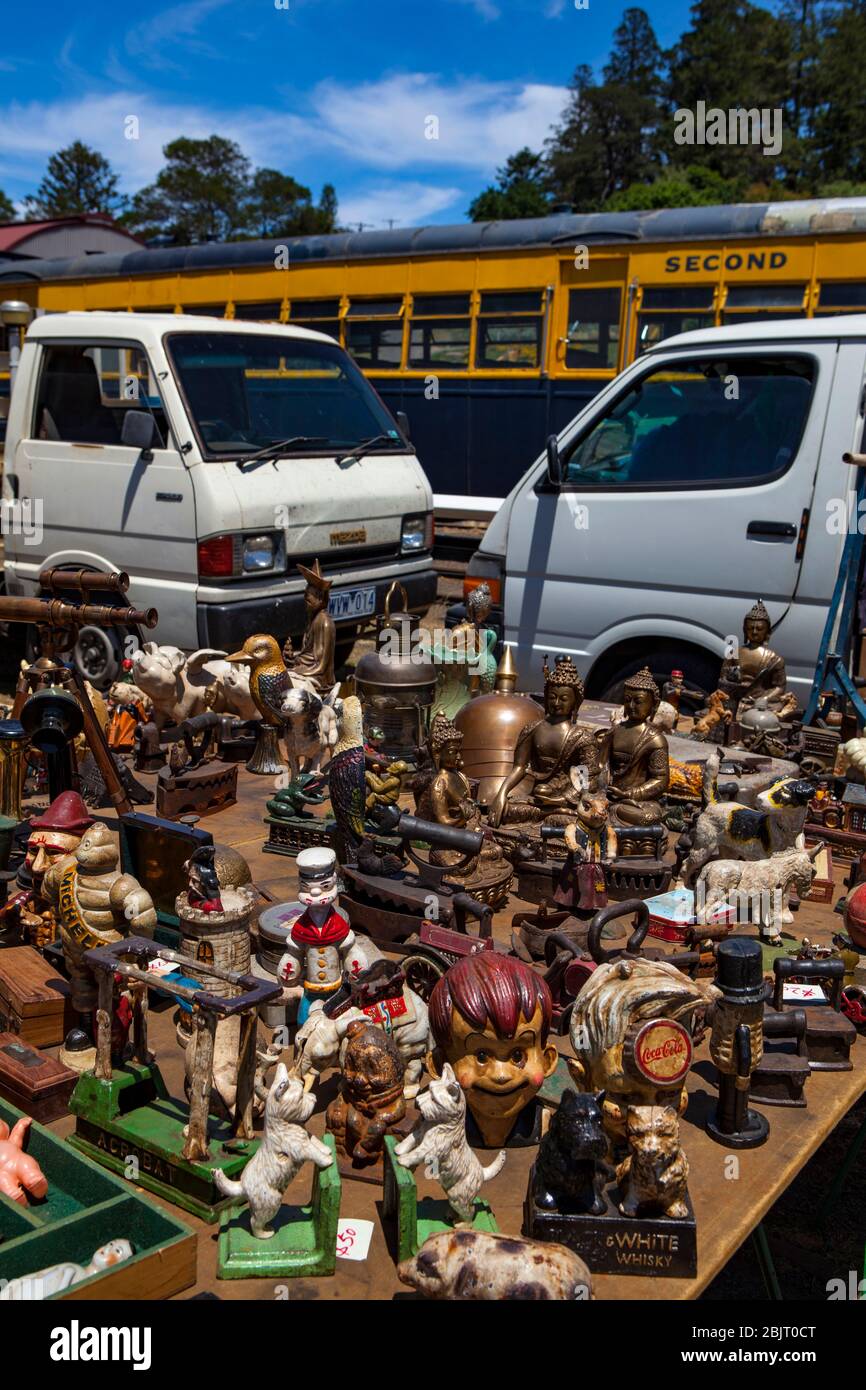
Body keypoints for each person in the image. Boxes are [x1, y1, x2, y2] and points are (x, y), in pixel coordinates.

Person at [428, 953, 557, 1147]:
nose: (501, 1075)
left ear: (547, 1060)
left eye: (517, 1055)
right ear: (440, 1066)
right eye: (481, 1056)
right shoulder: (442, 1127)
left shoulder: (545, 1125)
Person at [489, 655, 598, 826]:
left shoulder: (583, 738)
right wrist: (501, 794)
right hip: (537, 800)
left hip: (566, 803)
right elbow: (519, 767)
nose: (556, 703)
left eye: (563, 699)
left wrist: (560, 800)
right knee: (508, 811)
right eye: (552, 696)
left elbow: (586, 782)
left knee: (566, 821)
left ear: (575, 702)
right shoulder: (532, 728)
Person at [282, 560, 336, 693]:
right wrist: (293, 658)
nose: (305, 602)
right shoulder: (313, 619)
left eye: (308, 599)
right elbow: (308, 655)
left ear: (320, 599)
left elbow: (321, 666)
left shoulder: (325, 623)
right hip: (308, 667)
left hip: (319, 677)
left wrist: (296, 669)